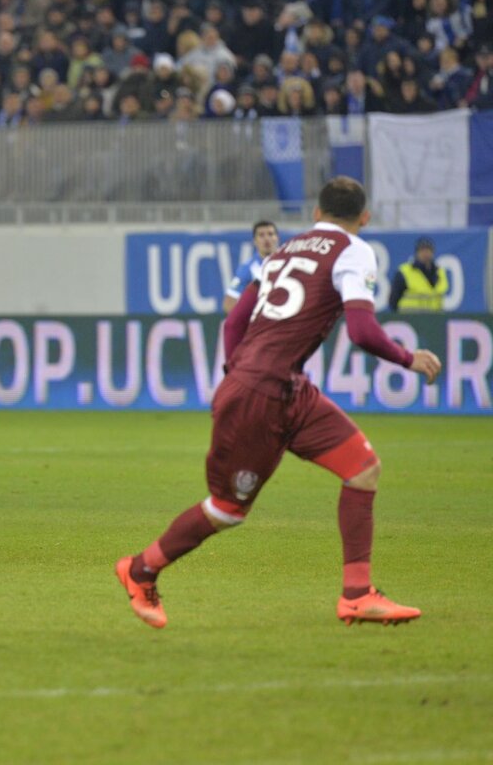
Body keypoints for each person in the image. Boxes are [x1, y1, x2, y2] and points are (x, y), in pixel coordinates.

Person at [115, 177, 441, 629]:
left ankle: (357, 594)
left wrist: (237, 371)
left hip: (286, 389)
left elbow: (234, 322)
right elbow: (364, 332)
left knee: (362, 469)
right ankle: (140, 569)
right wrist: (409, 357)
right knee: (227, 509)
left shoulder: (281, 252)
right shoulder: (355, 249)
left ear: (315, 214)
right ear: (364, 219)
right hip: (260, 395)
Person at [223, 221, 280, 311]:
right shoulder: (248, 269)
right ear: (254, 241)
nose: (267, 239)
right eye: (261, 235)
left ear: (277, 238)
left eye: (270, 234)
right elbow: (229, 303)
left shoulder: (288, 260)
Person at [390, 236, 448, 312]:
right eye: (422, 250)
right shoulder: (404, 272)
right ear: (417, 253)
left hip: (434, 319)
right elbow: (393, 301)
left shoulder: (440, 272)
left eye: (428, 250)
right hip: (410, 318)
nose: (425, 254)